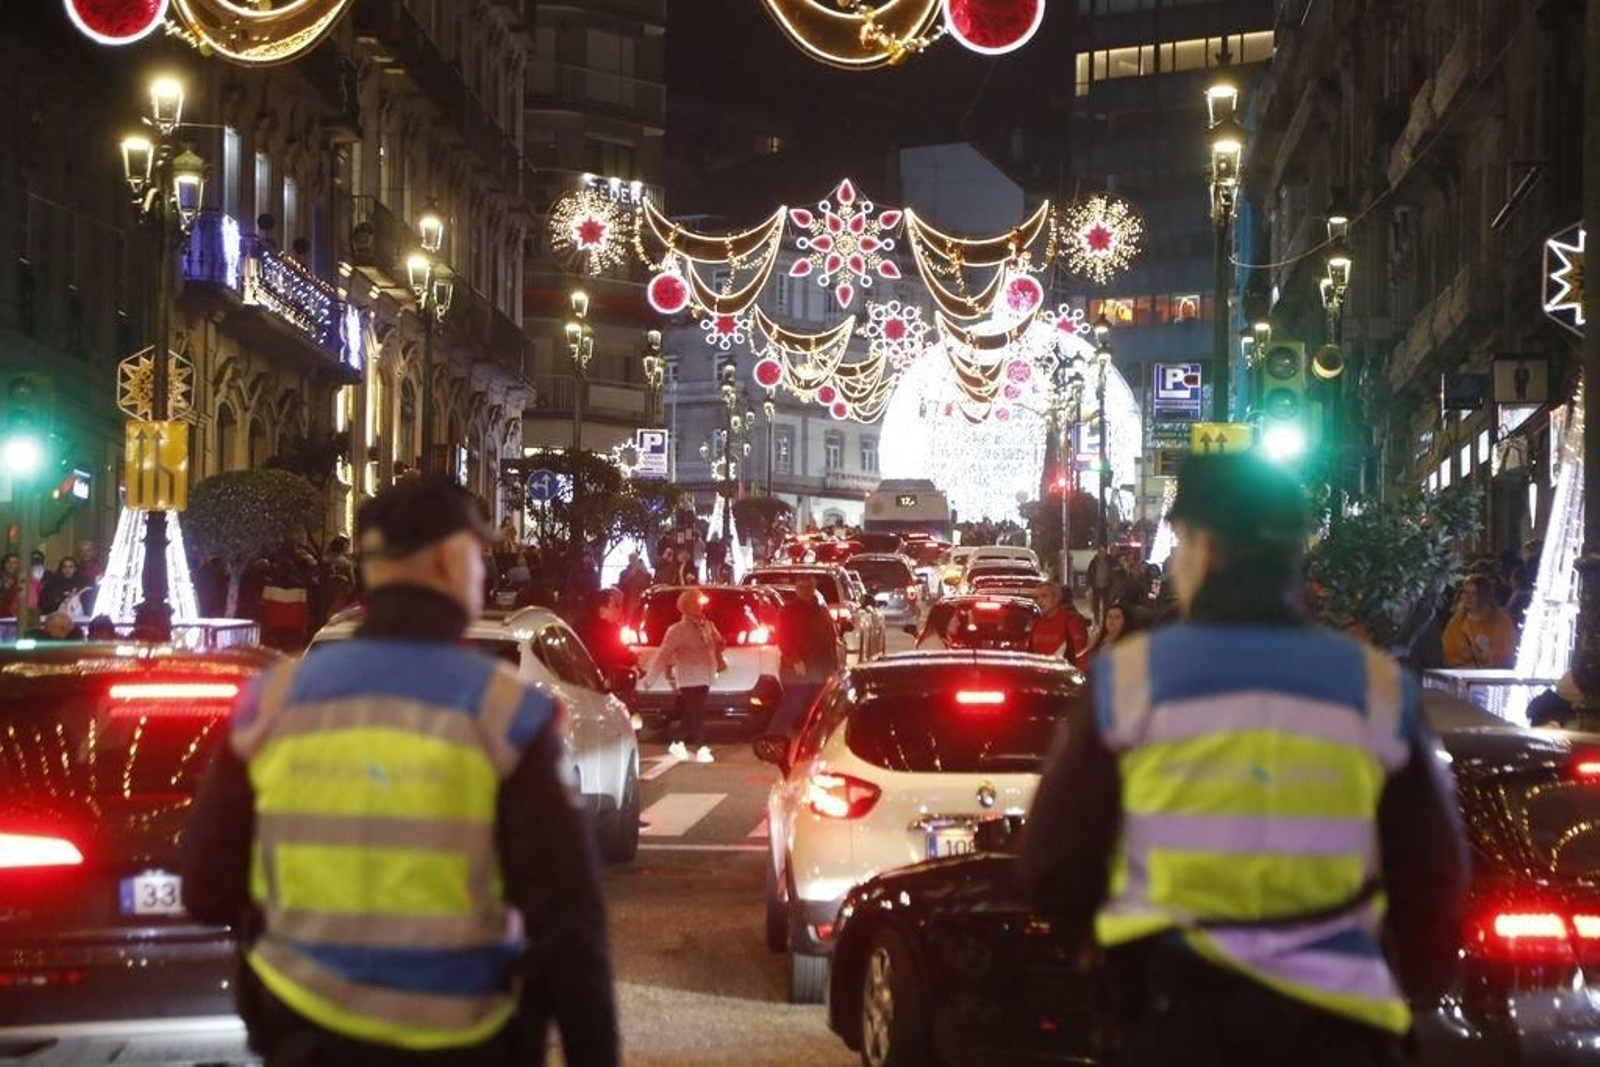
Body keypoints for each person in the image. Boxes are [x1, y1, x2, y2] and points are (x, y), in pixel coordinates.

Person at [1019, 452, 1467, 1067]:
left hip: (1175, 1024)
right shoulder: (1376, 687)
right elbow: (1435, 878)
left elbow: (1052, 868)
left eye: (1180, 545)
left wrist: (1117, 961)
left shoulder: (1128, 682)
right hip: (1337, 1032)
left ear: (1202, 548)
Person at [181, 476, 618, 1067]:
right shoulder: (503, 713)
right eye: (477, 555)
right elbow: (570, 926)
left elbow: (206, 890)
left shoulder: (274, 703)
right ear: (449, 563)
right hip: (464, 1038)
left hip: (306, 1034)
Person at [640, 588, 725, 763]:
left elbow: (717, 645)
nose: (699, 607)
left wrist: (719, 642)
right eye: (694, 603)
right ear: (685, 607)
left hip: (705, 674)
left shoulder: (707, 625)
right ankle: (701, 747)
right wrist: (650, 679)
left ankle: (678, 743)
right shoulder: (677, 630)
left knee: (690, 712)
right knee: (697, 711)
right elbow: (663, 655)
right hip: (688, 677)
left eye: (699, 603)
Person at [772, 578, 844, 735]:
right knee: (793, 704)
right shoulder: (789, 611)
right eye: (801, 587)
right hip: (799, 670)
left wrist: (834, 665)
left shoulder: (821, 610)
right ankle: (774, 737)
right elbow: (783, 638)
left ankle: (812, 739)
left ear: (814, 588)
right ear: (796, 589)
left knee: (818, 707)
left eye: (808, 587)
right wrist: (795, 660)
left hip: (821, 669)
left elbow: (830, 637)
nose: (805, 590)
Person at [1442, 574, 1518, 669]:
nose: (1468, 597)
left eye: (1474, 593)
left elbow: (1509, 654)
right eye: (1465, 592)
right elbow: (1449, 656)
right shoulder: (1456, 622)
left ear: (1484, 596)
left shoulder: (1502, 621)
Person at [577, 588, 639, 679]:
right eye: (617, 606)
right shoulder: (608, 633)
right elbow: (620, 657)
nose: (621, 611)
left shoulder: (579, 627)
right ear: (604, 608)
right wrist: (634, 659)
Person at [1030, 581, 1090, 668]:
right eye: (1036, 598)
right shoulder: (1037, 623)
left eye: (1044, 596)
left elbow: (1082, 656)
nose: (1039, 601)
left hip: (1063, 674)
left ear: (1056, 598)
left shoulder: (1071, 621)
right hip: (1040, 674)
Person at [0, 552, 20, 618]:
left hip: (14, 617)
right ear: (4, 564)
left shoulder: (21, 580)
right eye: (8, 562)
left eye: (14, 563)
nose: (11, 565)